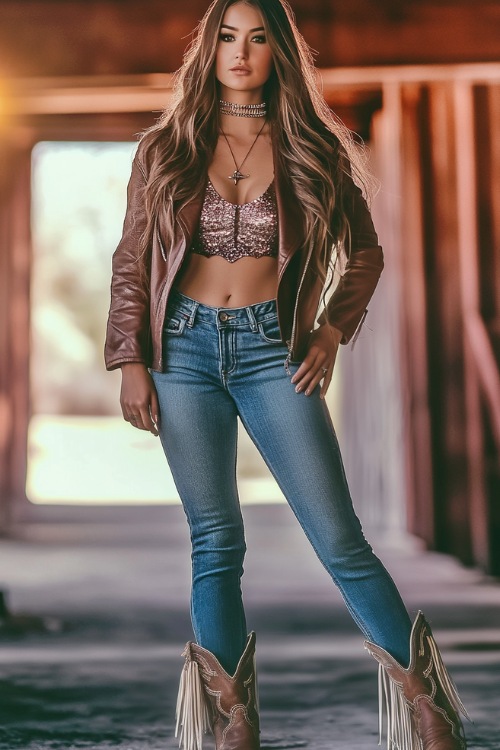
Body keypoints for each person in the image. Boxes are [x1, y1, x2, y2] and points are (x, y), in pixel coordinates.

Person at [105, 1, 469, 748]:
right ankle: (233, 722)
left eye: (259, 37)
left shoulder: (314, 147)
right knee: (215, 539)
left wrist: (331, 329)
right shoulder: (166, 147)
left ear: (280, 52)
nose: (241, 52)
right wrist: (130, 358)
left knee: (340, 539)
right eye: (228, 38)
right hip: (183, 354)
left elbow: (363, 253)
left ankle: (427, 707)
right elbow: (132, 261)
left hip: (276, 351)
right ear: (208, 51)